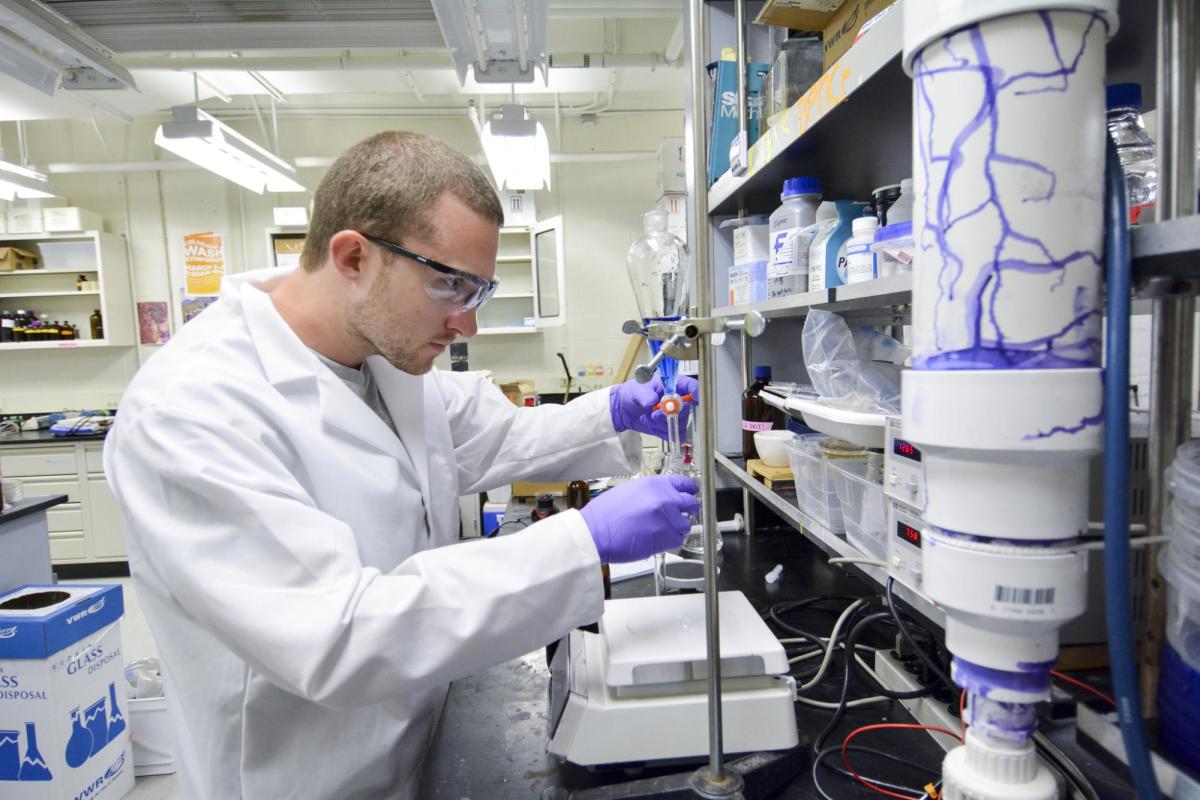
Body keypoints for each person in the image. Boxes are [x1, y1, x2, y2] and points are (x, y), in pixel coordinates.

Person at [103, 130, 701, 799]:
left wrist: (615, 411)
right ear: (353, 257)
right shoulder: (192, 410)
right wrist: (580, 542)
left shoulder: (382, 361)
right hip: (304, 780)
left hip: (412, 744)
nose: (467, 325)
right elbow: (337, 633)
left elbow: (493, 438)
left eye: (478, 291)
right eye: (449, 285)